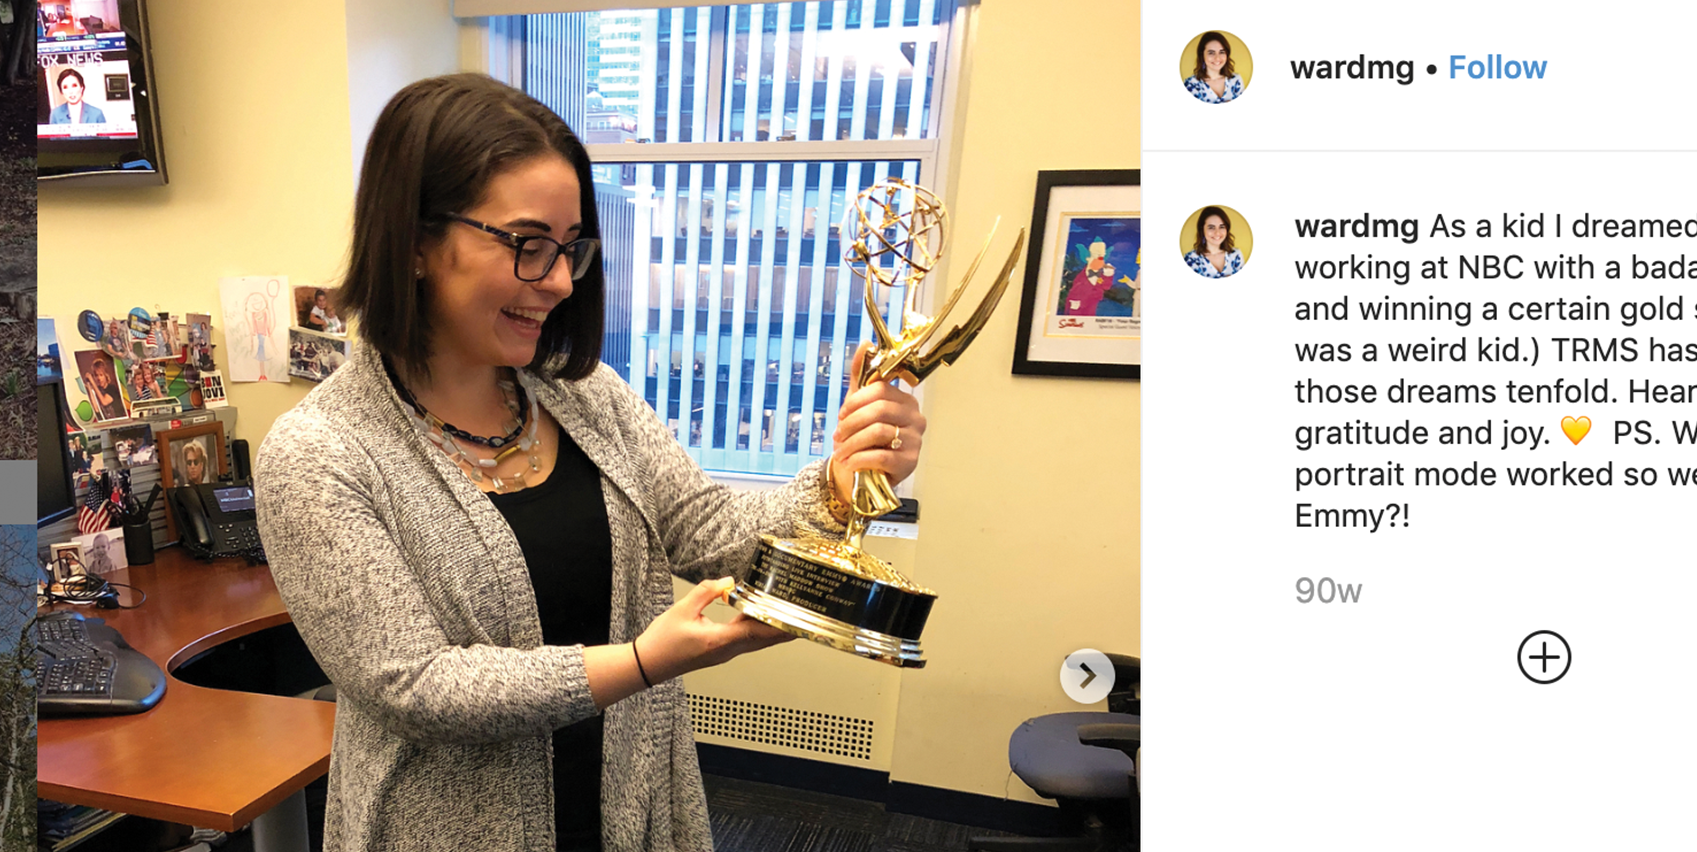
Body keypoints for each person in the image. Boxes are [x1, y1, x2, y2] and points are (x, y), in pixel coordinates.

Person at [253, 74, 926, 852]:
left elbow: (716, 537)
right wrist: (641, 662)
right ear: (413, 243)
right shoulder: (320, 453)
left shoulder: (584, 397)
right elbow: (414, 685)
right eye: (528, 245)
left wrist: (840, 484)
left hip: (629, 804)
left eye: (571, 248)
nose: (563, 281)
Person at [1184, 205, 1245, 278]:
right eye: (1211, 227)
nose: (1217, 233)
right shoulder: (1191, 259)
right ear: (1202, 230)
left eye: (1222, 227)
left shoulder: (1236, 255)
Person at [1061, 238, 1118, 316]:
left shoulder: (1100, 274)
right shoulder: (1081, 277)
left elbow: (1106, 286)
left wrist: (1108, 275)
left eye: (1102, 256)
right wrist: (1075, 301)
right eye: (1097, 256)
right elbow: (1076, 289)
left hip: (1093, 301)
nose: (1100, 260)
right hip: (1078, 302)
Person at [1183, 31, 1243, 104]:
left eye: (1221, 52)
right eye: (1211, 53)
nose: (1217, 58)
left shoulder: (1236, 80)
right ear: (1202, 55)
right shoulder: (1190, 84)